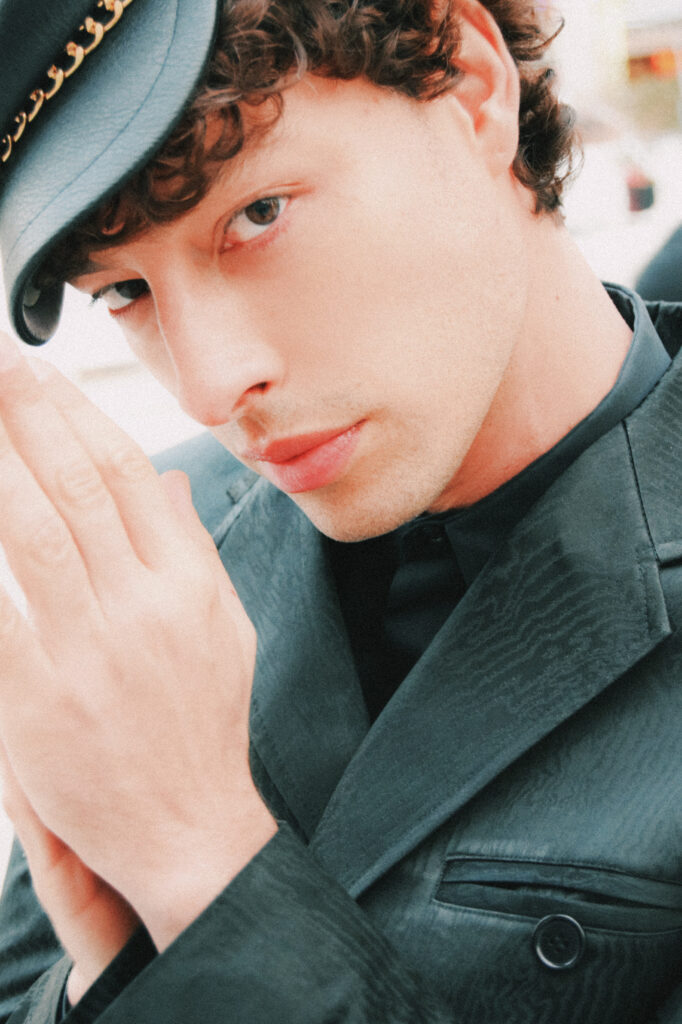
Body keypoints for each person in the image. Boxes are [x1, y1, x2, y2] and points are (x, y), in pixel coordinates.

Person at [0, 1, 679, 1022]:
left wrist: (206, 871)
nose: (208, 385)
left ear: (470, 87)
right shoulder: (167, 557)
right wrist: (107, 978)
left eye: (258, 213)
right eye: (125, 292)